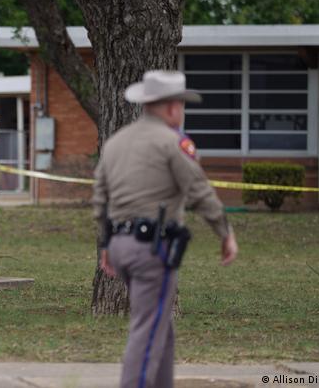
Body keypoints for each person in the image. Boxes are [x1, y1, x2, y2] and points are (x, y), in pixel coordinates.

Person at [91, 70, 238, 388]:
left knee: (161, 327)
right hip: (151, 249)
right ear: (172, 107)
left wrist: (105, 244)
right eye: (181, 105)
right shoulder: (173, 142)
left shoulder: (116, 142)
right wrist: (225, 233)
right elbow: (199, 191)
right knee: (146, 330)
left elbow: (100, 197)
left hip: (119, 244)